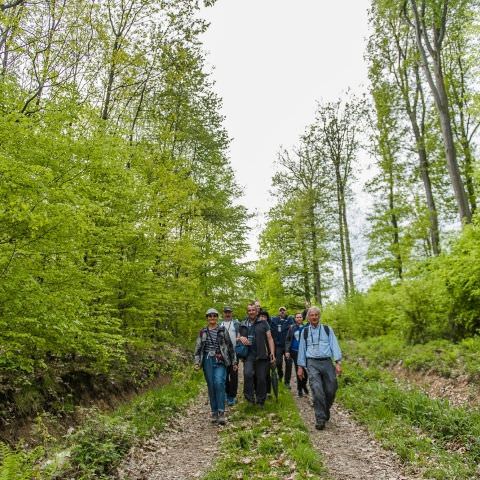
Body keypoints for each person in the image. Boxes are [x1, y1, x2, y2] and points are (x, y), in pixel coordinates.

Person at [297, 306, 342, 430]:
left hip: (327, 362)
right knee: (317, 390)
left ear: (319, 316)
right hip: (312, 363)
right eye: (312, 315)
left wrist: (338, 362)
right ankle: (320, 419)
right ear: (308, 318)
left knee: (331, 388)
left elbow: (335, 345)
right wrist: (300, 366)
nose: (314, 317)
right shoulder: (304, 332)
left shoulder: (328, 329)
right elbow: (302, 349)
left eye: (316, 315)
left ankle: (325, 409)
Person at [194, 308, 237, 425]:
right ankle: (214, 412)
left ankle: (221, 412)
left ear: (217, 317)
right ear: (207, 318)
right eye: (210, 316)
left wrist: (234, 362)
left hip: (220, 360)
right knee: (211, 385)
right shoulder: (202, 332)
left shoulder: (222, 330)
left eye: (214, 316)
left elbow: (230, 347)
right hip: (207, 360)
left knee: (219, 382)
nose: (212, 318)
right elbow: (197, 349)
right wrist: (197, 362)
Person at [238, 303, 275, 406]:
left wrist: (272, 353)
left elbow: (270, 338)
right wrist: (241, 338)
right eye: (249, 310)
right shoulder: (243, 324)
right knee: (248, 374)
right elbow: (237, 338)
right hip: (248, 355)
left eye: (253, 310)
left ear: (257, 311)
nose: (251, 312)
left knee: (262, 378)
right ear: (247, 312)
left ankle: (260, 400)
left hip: (262, 355)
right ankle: (249, 398)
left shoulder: (263, 323)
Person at [285, 312, 309, 397]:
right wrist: (287, 351)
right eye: (297, 317)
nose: (299, 318)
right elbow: (287, 340)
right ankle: (299, 390)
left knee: (305, 373)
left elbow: (311, 317)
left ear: (303, 318)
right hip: (294, 352)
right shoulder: (292, 328)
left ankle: (303, 385)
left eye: (300, 317)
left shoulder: (306, 327)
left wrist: (308, 307)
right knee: (298, 371)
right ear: (295, 319)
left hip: (305, 352)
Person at [220, 306, 240, 406]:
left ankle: (232, 396)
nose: (227, 314)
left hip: (234, 353)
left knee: (234, 375)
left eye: (229, 312)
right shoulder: (220, 324)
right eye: (226, 312)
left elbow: (240, 335)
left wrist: (239, 338)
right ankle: (227, 394)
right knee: (225, 375)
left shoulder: (236, 324)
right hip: (223, 354)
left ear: (231, 313)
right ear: (223, 313)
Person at [270, 306, 293, 388]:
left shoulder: (290, 319)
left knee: (289, 363)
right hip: (278, 346)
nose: (282, 312)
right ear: (279, 312)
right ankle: (280, 374)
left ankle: (287, 382)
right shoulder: (274, 320)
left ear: (286, 311)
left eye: (284, 310)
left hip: (288, 346)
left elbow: (300, 319)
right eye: (281, 310)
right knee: (278, 362)